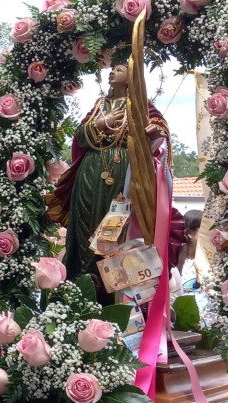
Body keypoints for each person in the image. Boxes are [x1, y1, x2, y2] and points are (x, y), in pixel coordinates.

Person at [46, 63, 170, 279]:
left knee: (113, 226)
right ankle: (79, 277)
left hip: (124, 173)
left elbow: (160, 131)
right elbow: (80, 138)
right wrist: (101, 123)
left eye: (120, 69)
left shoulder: (142, 106)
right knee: (84, 222)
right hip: (90, 172)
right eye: (111, 69)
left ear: (132, 76)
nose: (112, 72)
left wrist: (154, 131)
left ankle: (106, 283)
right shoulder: (99, 105)